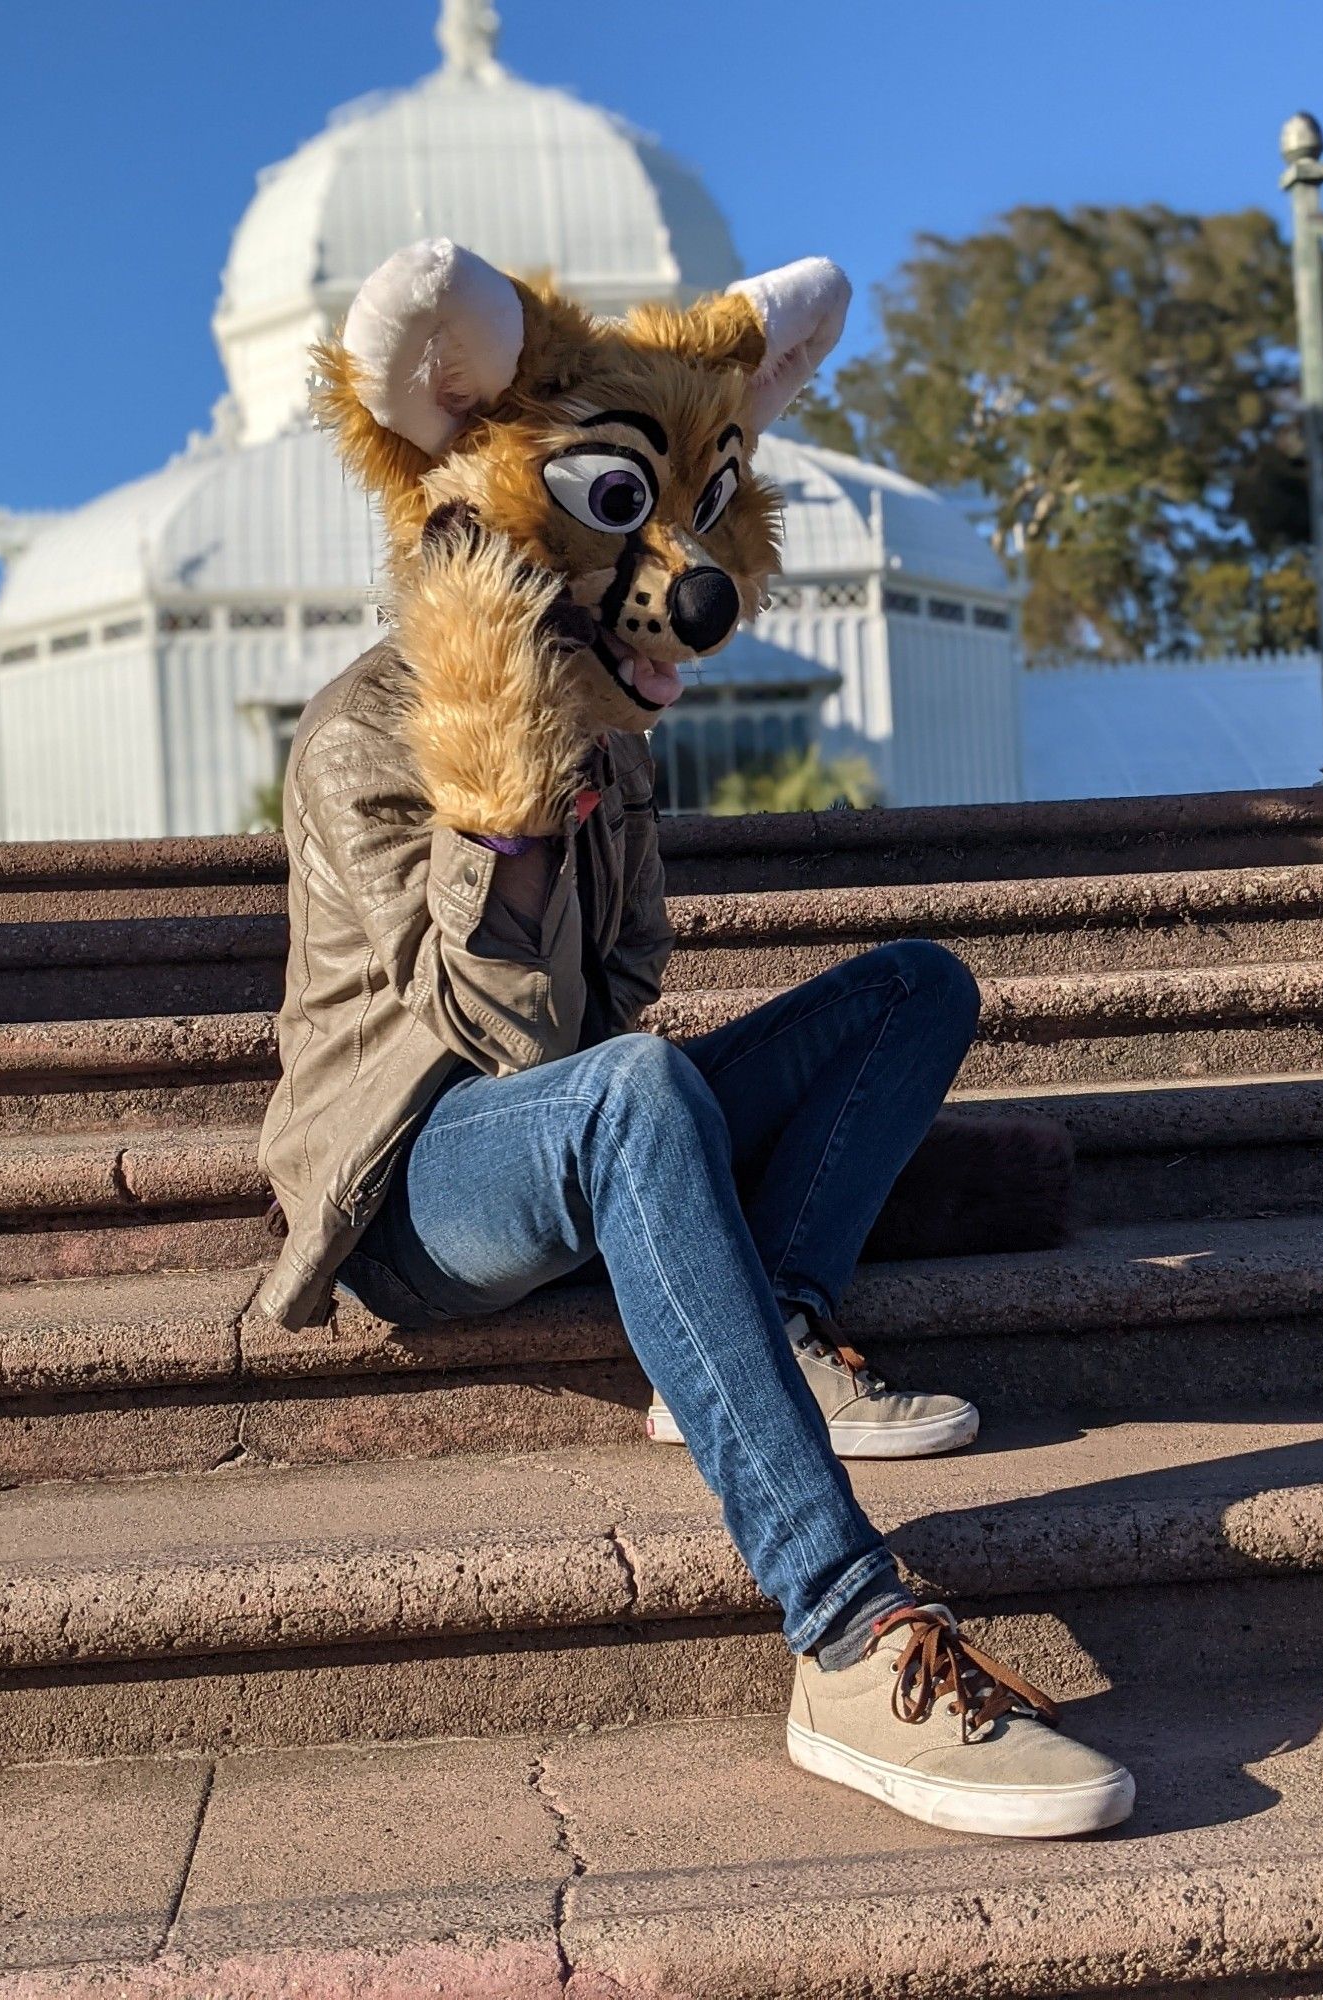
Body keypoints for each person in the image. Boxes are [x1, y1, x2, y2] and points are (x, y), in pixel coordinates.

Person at [256, 238, 1135, 1839]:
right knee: (628, 1093)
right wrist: (505, 798)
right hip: (417, 1187)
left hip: (581, 1131)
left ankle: (771, 1315)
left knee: (914, 986)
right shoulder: (360, 741)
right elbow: (513, 1034)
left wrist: (586, 775)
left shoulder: (615, 734)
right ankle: (849, 1638)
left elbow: (635, 971)